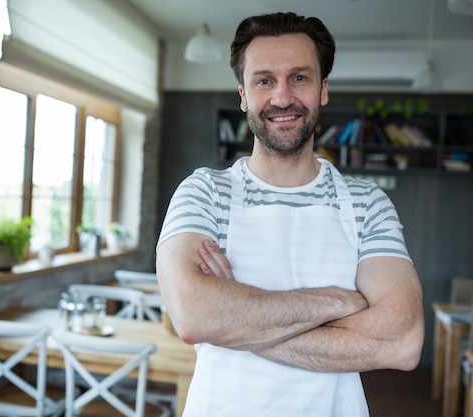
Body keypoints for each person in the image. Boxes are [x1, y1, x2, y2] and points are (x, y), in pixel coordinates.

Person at [156, 12, 424, 416]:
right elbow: (193, 315)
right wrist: (337, 301)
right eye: (264, 80)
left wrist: (234, 323)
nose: (282, 98)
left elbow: (402, 339)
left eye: (299, 78)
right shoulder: (205, 192)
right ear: (243, 94)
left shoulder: (366, 203)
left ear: (323, 89)